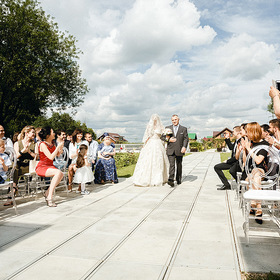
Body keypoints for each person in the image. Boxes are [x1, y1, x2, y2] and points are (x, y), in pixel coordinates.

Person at [235, 122, 269, 224]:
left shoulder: (264, 144)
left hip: (261, 171)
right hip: (249, 173)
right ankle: (258, 208)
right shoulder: (250, 143)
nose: (246, 134)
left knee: (256, 173)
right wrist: (245, 150)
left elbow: (258, 161)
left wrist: (249, 148)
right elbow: (245, 162)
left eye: (248, 132)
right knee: (253, 176)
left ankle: (254, 204)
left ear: (253, 132)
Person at [133, 114, 169, 187]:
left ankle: (160, 178)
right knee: (148, 160)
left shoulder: (161, 127)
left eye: (156, 118)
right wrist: (144, 144)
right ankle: (146, 178)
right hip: (151, 143)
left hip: (158, 143)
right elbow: (147, 136)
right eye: (153, 118)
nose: (155, 120)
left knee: (158, 160)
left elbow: (164, 136)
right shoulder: (149, 127)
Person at [36, 127, 64, 207]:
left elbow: (57, 155)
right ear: (48, 135)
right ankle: (49, 197)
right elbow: (51, 157)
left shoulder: (52, 143)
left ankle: (47, 192)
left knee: (61, 174)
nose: (54, 133)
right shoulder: (42, 144)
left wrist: (60, 149)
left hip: (50, 166)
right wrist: (58, 147)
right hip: (42, 167)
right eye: (53, 132)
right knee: (58, 172)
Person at [162, 114, 189, 187]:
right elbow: (162, 137)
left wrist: (184, 147)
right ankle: (170, 180)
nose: (174, 121)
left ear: (178, 119)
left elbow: (186, 139)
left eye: (175, 119)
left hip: (180, 150)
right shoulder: (167, 128)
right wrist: (168, 139)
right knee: (172, 165)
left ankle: (178, 178)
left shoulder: (183, 129)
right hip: (170, 149)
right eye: (173, 120)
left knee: (179, 165)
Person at [215, 126, 241, 190]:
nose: (233, 133)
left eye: (234, 131)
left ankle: (240, 184)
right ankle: (226, 185)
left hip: (237, 162)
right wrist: (227, 139)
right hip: (233, 161)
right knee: (217, 167)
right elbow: (231, 148)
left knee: (232, 171)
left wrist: (227, 161)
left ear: (238, 132)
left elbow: (237, 157)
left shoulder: (241, 141)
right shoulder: (236, 140)